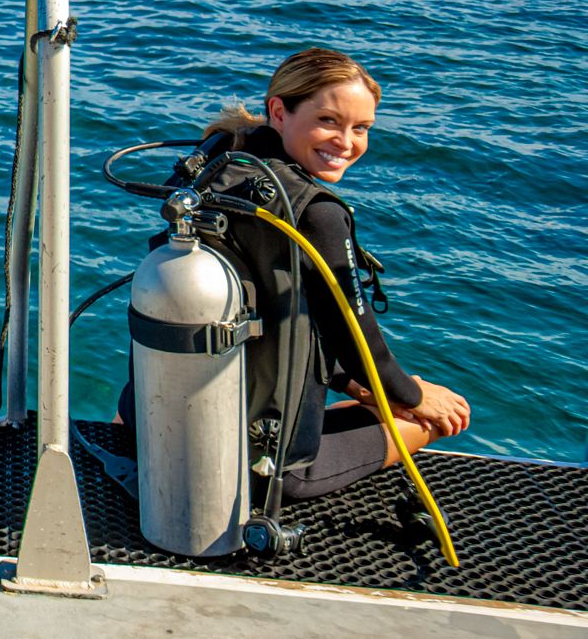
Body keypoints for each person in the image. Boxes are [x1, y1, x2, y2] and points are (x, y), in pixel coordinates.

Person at [123, 48, 472, 503]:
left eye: (361, 127)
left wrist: (362, 385)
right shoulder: (317, 215)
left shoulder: (218, 164)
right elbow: (357, 336)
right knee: (435, 417)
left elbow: (269, 311)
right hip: (263, 470)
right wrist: (412, 396)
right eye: (328, 120)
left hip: (144, 425)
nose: (346, 142)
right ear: (278, 111)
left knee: (387, 395)